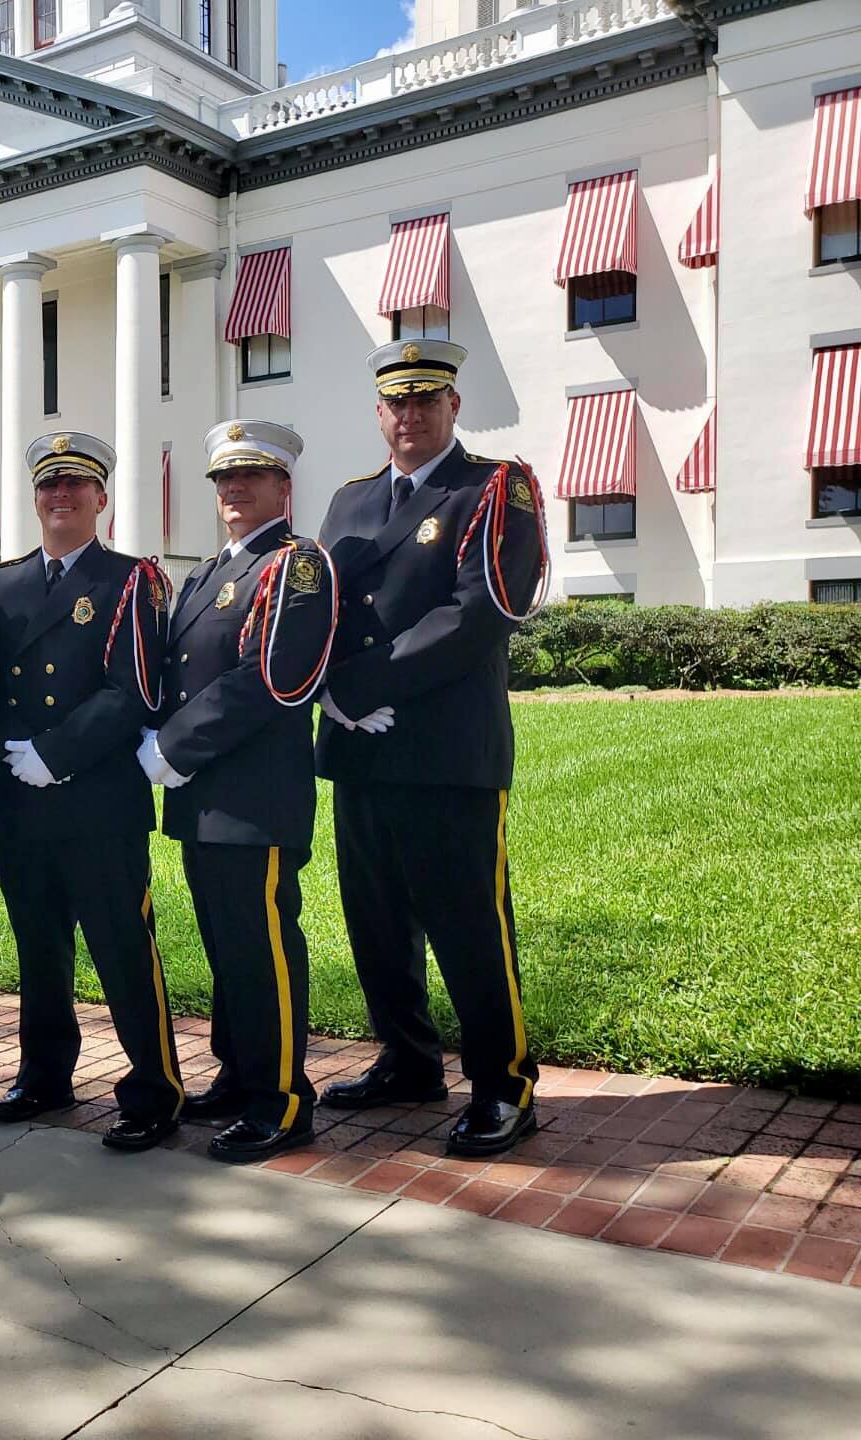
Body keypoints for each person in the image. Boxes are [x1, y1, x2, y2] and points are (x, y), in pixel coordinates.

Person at [313, 340, 549, 1157]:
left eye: (426, 399)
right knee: (375, 923)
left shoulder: (492, 488)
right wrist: (327, 690)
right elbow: (321, 614)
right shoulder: (347, 504)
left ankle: (506, 1085)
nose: (409, 415)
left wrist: (362, 684)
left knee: (470, 925)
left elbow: (481, 612)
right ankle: (408, 1061)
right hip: (360, 752)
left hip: (448, 755)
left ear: (453, 407)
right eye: (396, 402)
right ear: (379, 412)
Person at [0, 430, 184, 1151]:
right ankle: (44, 1076)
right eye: (48, 486)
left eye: (76, 486)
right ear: (35, 497)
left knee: (123, 947)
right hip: (22, 801)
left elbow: (137, 691)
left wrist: (55, 753)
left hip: (98, 803)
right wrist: (12, 753)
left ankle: (156, 1090)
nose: (60, 496)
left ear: (100, 498)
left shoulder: (132, 580)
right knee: (39, 950)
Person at [140, 421, 339, 1162]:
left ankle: (283, 1098)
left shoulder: (298, 566)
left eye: (251, 477)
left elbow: (273, 679)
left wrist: (170, 746)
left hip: (254, 800)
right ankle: (240, 1071)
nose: (234, 490)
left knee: (263, 950)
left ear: (284, 486)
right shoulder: (206, 574)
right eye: (224, 479)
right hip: (202, 800)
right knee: (229, 948)